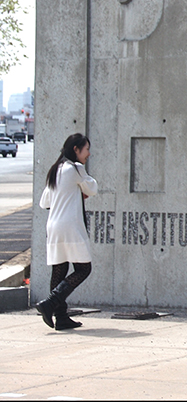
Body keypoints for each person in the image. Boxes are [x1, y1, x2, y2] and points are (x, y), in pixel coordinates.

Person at [36, 134, 98, 330]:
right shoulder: (76, 168)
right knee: (83, 269)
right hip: (70, 226)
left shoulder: (56, 169)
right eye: (86, 149)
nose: (89, 153)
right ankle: (50, 303)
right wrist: (80, 191)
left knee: (59, 270)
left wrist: (71, 193)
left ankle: (61, 318)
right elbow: (93, 188)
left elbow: (44, 202)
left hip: (53, 226)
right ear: (76, 150)